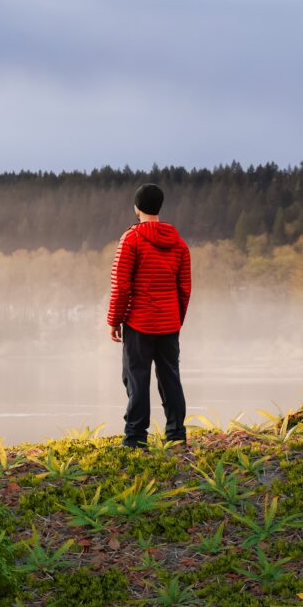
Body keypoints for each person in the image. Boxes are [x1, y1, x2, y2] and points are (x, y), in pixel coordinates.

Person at [106, 183, 191, 449]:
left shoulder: (131, 240)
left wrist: (114, 320)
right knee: (170, 378)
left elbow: (121, 285)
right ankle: (176, 435)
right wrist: (176, 319)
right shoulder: (178, 244)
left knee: (136, 378)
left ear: (137, 208)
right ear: (159, 207)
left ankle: (135, 438)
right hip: (169, 323)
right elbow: (184, 289)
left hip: (139, 323)